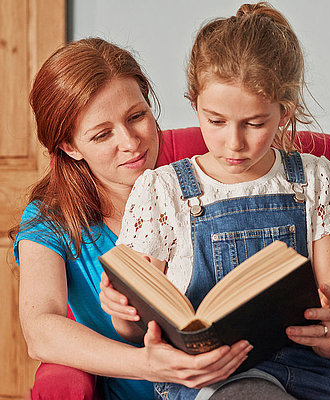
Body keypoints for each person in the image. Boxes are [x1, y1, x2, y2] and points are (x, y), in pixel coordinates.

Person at [100, 3, 330, 400]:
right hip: (211, 378)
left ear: (283, 112)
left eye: (255, 124)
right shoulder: (162, 190)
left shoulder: (314, 177)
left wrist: (328, 314)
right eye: (216, 121)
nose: (233, 143)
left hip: (306, 368)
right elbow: (136, 324)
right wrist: (123, 311)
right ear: (194, 103)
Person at [10, 38, 252, 400]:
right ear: (70, 146)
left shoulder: (215, 176)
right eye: (102, 134)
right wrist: (150, 365)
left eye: (136, 116)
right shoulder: (50, 220)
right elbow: (40, 331)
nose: (131, 142)